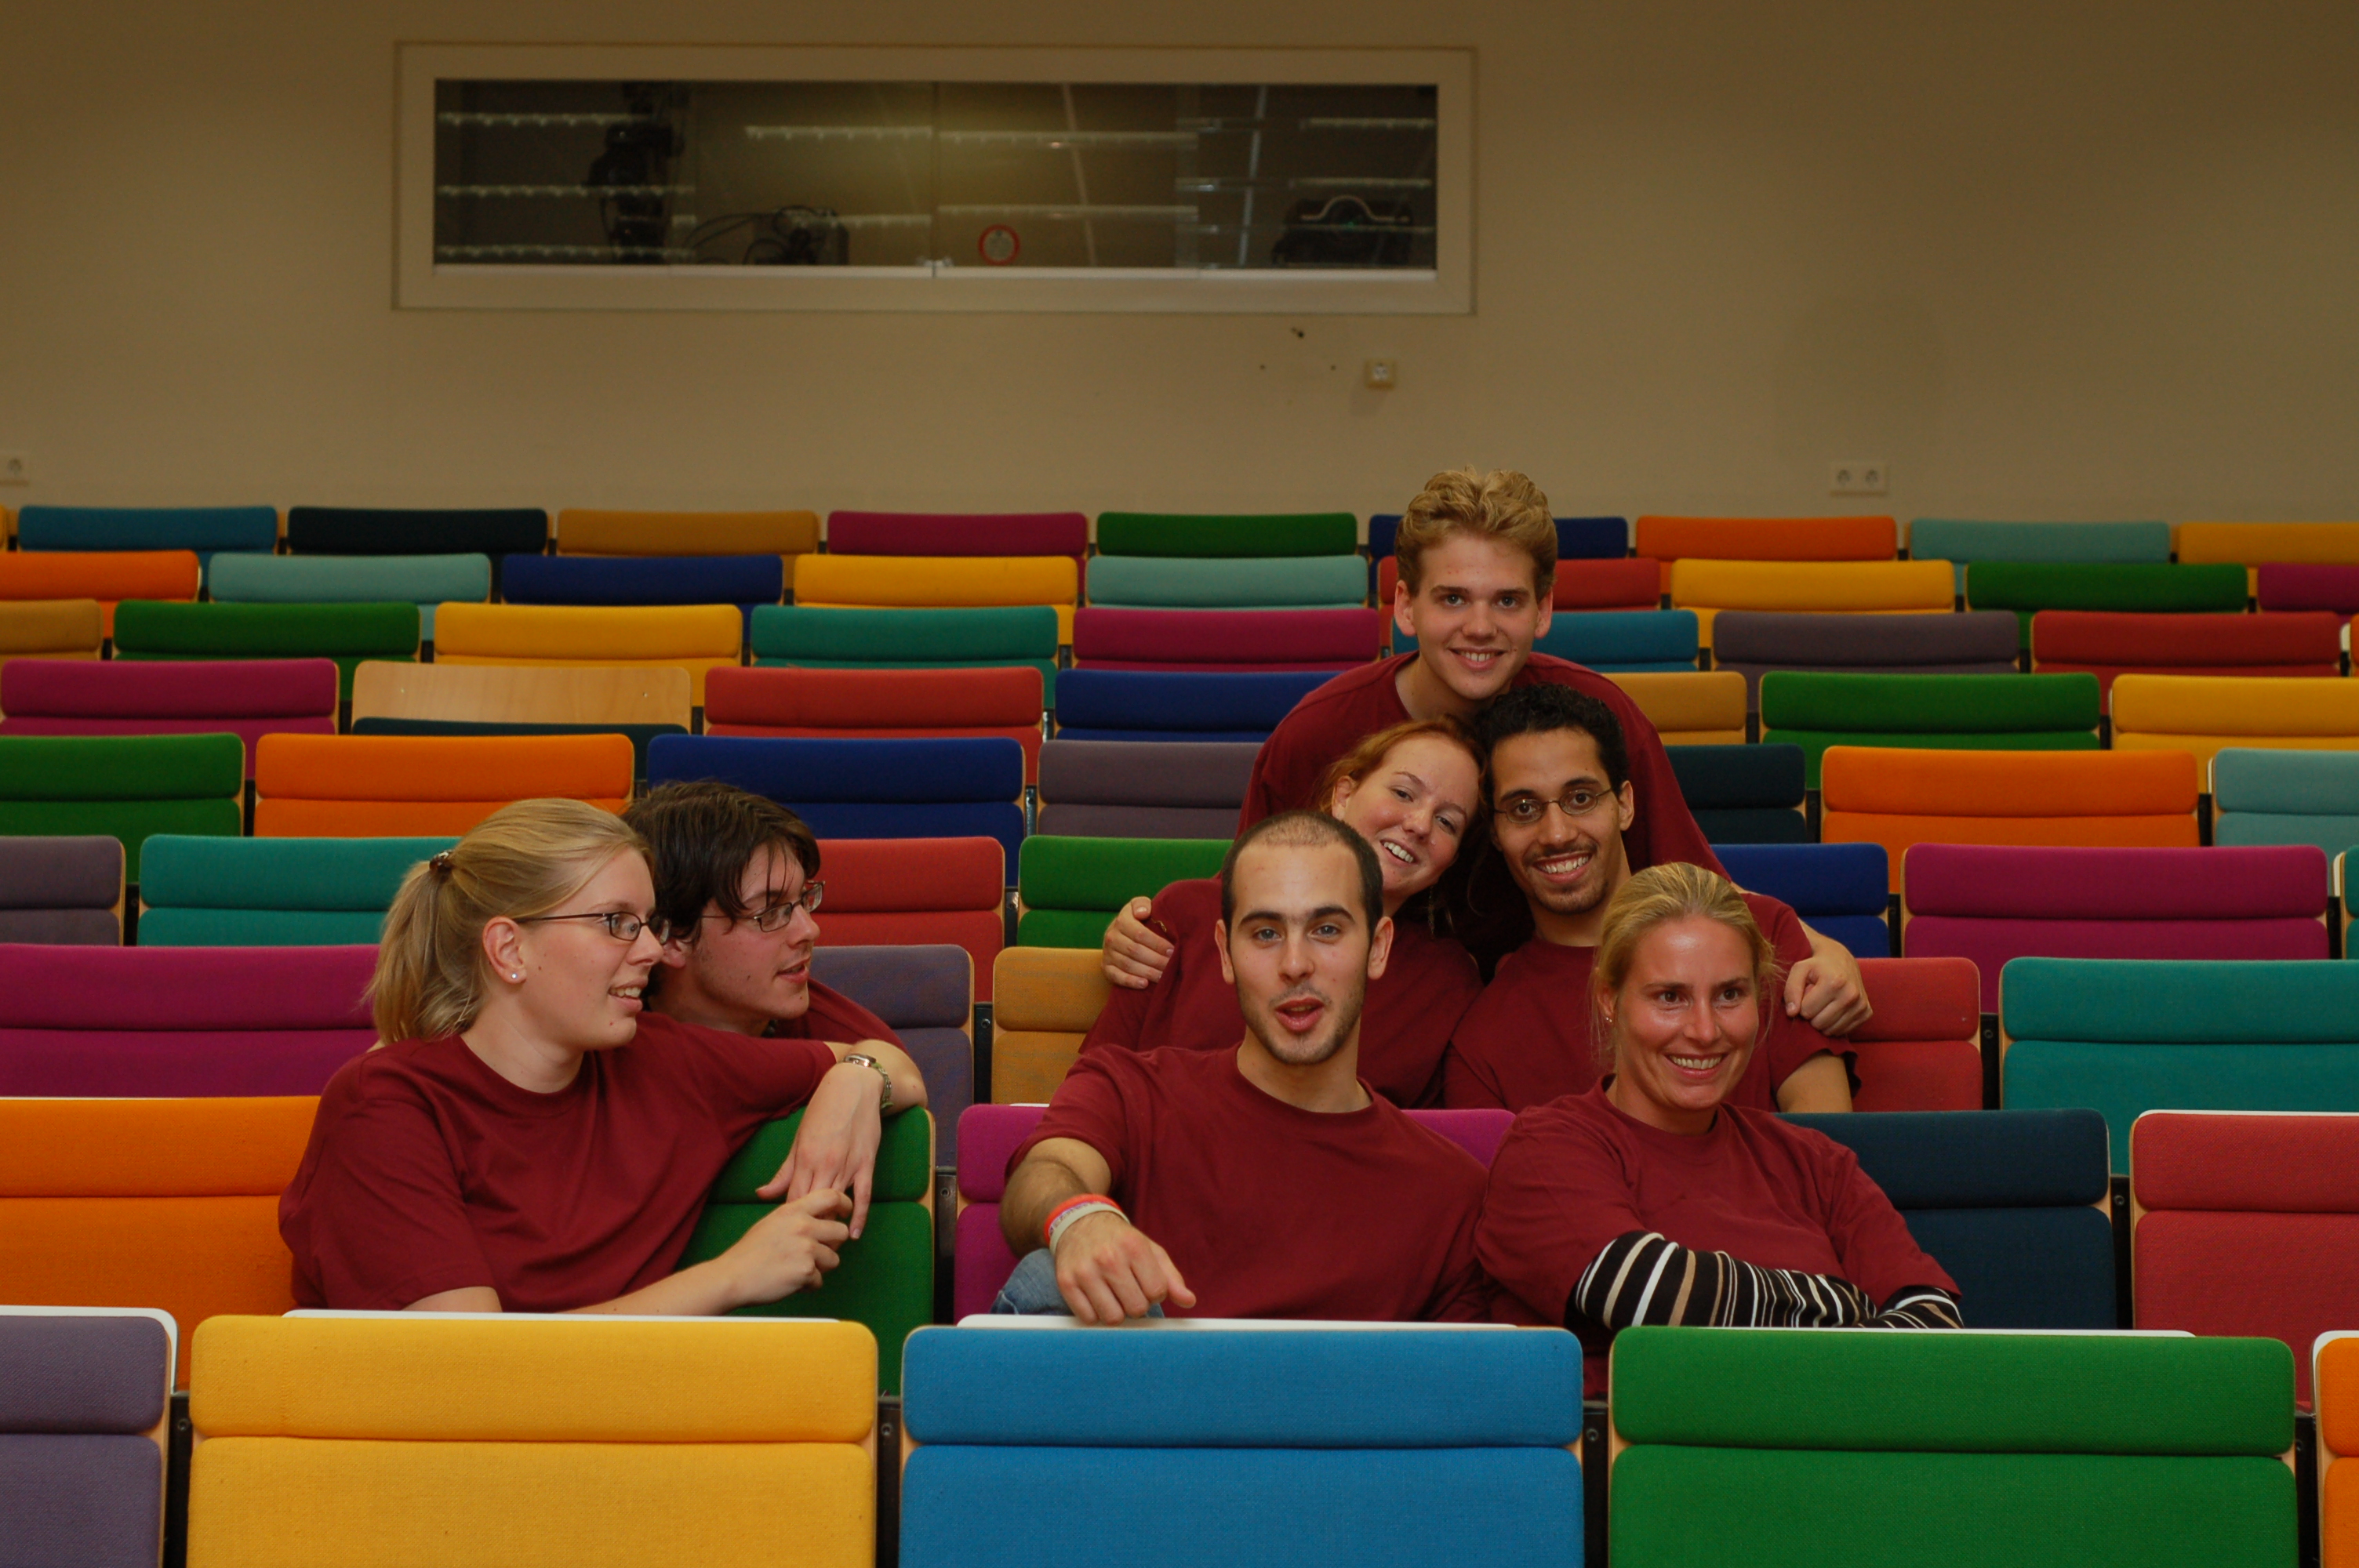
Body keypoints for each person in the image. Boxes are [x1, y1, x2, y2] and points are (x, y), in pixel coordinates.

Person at [1111, 465, 1866, 1028]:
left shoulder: (1597, 717)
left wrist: (1817, 948)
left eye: (1507, 600)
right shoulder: (1317, 733)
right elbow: (1246, 904)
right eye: (1453, 599)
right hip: (1369, 1018)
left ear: (1544, 609)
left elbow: (1694, 885)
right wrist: (1136, 932)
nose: (1480, 627)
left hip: (1546, 1012)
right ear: (1404, 605)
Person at [280, 798, 929, 1315]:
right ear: (509, 951)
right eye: (617, 923)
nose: (650, 951)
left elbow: (888, 1065)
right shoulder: (385, 1105)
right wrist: (728, 1278)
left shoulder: (665, 1059)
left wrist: (855, 1080)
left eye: (647, 923)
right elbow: (467, 1372)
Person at [1476, 862, 1960, 1394]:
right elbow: (1650, 1294)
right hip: (1636, 1446)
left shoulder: (1816, 1161)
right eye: (1670, 997)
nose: (1705, 1031)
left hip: (1829, 1442)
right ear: (1610, 1001)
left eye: (1730, 994)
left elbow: (1935, 1326)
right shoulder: (1545, 1150)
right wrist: (1841, 1303)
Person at [997, 811, 1490, 1323]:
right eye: (1265, 933)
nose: (1295, 965)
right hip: (1140, 1374)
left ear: (1377, 948)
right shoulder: (1133, 1090)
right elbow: (1046, 1173)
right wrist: (1080, 1221)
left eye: (1326, 930)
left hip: (1344, 1382)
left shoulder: (1450, 1193)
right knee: (1046, 1273)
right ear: (1226, 954)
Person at [1445, 684, 1852, 1113]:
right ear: (1495, 831)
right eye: (1524, 809)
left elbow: (1825, 1136)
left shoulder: (1760, 931)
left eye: (1580, 799)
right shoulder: (1482, 1042)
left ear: (1624, 804)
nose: (1557, 834)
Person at [1082, 717, 1484, 1105]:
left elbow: (1424, 1135)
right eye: (1403, 793)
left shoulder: (1446, 981)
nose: (1420, 824)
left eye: (1447, 822)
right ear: (1344, 797)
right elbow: (1093, 1088)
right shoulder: (1187, 915)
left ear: (1450, 861)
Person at [626, 780, 901, 1051]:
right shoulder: (608, 1049)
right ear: (669, 938)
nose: (809, 930)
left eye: (803, 899)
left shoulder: (860, 1052)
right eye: (770, 912)